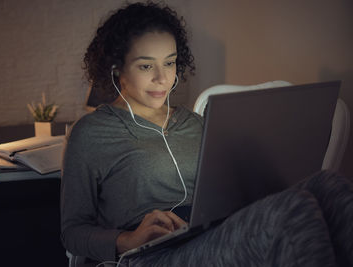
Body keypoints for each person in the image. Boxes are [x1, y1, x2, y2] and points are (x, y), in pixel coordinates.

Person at [61, 2, 353, 266]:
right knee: (293, 209)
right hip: (152, 255)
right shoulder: (91, 133)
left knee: (329, 185)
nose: (163, 78)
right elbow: (73, 231)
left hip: (214, 233)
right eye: (146, 65)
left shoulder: (194, 121)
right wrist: (128, 239)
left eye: (170, 62)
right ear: (116, 69)